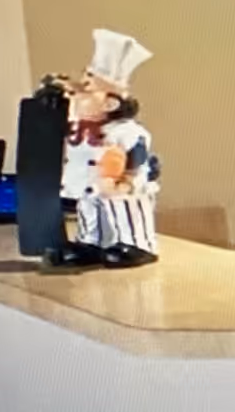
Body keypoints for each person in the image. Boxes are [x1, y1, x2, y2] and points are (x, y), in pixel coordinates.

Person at [48, 29, 159, 269]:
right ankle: (91, 243)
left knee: (123, 209)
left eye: (85, 93)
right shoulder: (82, 128)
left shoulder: (125, 131)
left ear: (110, 103)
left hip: (118, 187)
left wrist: (125, 179)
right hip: (91, 186)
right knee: (89, 209)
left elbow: (137, 154)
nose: (76, 98)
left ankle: (137, 244)